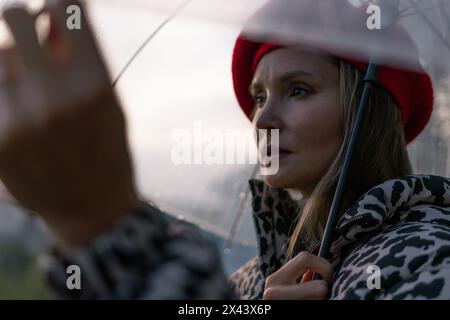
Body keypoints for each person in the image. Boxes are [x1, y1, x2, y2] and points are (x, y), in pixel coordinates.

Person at [0, 0, 449, 300]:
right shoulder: (251, 279)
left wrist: (106, 227)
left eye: (297, 90)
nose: (263, 119)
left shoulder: (430, 254)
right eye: (259, 97)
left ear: (366, 113)